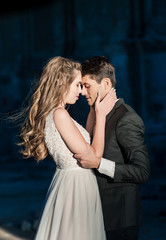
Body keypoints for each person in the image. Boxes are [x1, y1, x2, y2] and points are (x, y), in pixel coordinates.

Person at [16, 56, 117, 240]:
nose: (80, 90)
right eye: (77, 84)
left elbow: (84, 139)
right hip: (76, 187)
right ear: (63, 83)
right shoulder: (60, 114)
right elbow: (94, 155)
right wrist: (101, 117)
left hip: (74, 183)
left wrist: (94, 111)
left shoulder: (58, 113)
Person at [74, 56, 150, 240]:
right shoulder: (96, 113)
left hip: (119, 220)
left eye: (87, 85)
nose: (83, 92)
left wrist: (99, 163)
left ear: (106, 84)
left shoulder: (126, 119)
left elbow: (142, 171)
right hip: (96, 216)